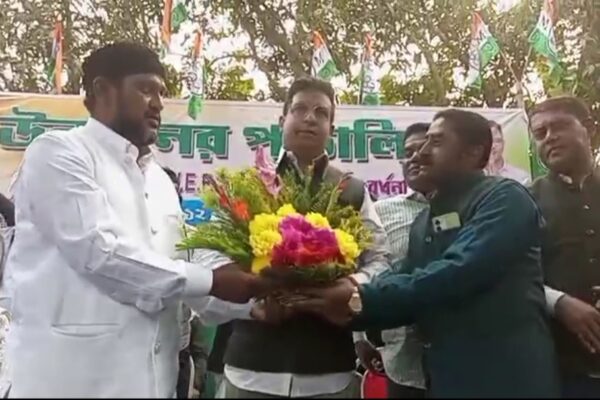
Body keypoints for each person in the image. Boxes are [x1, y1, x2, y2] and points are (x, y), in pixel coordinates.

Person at [2, 42, 269, 398]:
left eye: (161, 92)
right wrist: (212, 281)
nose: (158, 103)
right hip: (68, 384)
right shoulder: (58, 153)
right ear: (102, 91)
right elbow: (101, 253)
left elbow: (182, 274)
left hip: (152, 385)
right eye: (145, 89)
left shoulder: (159, 180)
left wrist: (260, 303)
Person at [290, 109, 560, 398]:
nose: (421, 152)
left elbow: (458, 272)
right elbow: (405, 274)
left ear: (473, 152)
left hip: (508, 381)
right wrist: (337, 296)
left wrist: (359, 300)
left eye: (436, 142)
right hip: (448, 381)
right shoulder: (425, 221)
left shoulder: (504, 198)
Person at [218, 76, 389, 398]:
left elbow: (381, 260)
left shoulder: (353, 190)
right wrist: (252, 301)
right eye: (300, 109)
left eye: (321, 113)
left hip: (328, 373)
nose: (310, 118)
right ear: (282, 120)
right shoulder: (247, 184)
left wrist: (351, 285)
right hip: (251, 372)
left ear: (331, 130)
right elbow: (213, 258)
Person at [529, 97, 600, 398]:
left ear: (589, 129)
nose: (549, 138)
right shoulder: (523, 201)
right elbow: (512, 272)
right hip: (564, 369)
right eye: (540, 133)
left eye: (558, 126)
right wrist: (559, 303)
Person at [354, 123, 432, 398]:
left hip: (462, 362)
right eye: (407, 153)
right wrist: (360, 337)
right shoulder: (382, 212)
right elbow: (364, 270)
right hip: (401, 363)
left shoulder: (474, 207)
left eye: (423, 150)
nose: (414, 158)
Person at [485, 120, 531, 184]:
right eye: (489, 141)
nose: (493, 146)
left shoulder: (521, 177)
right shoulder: (473, 177)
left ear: (503, 143)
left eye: (497, 141)